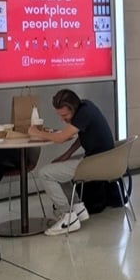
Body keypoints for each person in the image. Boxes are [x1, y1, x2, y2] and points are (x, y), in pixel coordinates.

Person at [29, 89, 114, 236]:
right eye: (60, 115)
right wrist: (66, 155)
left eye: (65, 115)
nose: (63, 119)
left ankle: (67, 217)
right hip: (102, 160)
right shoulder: (86, 106)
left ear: (73, 108)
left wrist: (37, 133)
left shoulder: (83, 114)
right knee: (56, 169)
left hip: (97, 163)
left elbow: (61, 138)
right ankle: (77, 208)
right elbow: (82, 136)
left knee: (45, 173)